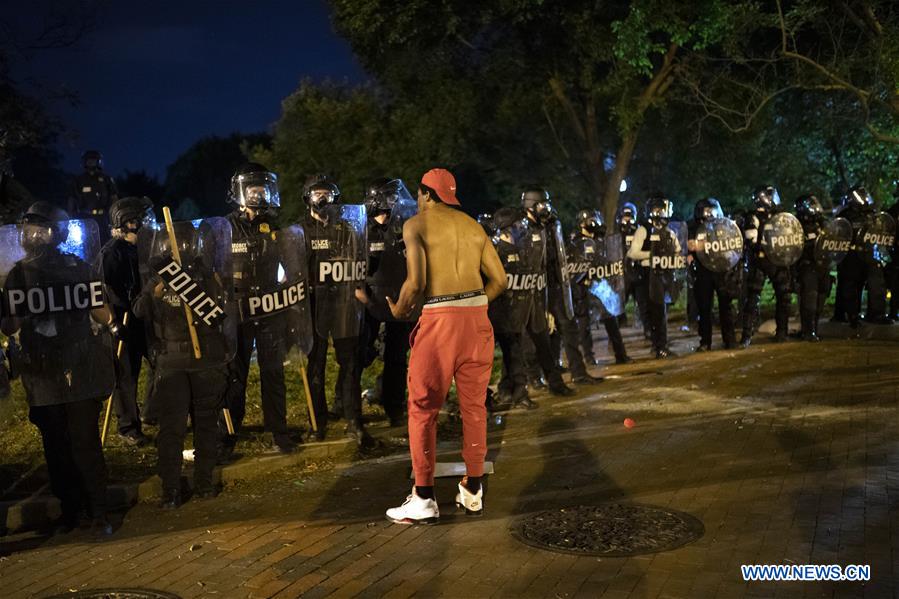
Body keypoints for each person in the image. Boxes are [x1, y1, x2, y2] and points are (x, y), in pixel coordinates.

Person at [385, 168, 506, 523]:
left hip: (440, 321)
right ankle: (473, 490)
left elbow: (417, 281)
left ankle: (423, 496)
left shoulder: (415, 225)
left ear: (425, 194)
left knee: (423, 407)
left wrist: (398, 309)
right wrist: (476, 305)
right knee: (474, 408)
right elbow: (500, 280)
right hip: (477, 319)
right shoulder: (473, 226)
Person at [1, 202, 114, 536]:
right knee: (56, 447)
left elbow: (100, 310)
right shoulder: (19, 275)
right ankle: (71, 511)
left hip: (79, 366)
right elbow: (9, 326)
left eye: (40, 229)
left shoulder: (77, 268)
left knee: (84, 442)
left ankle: (98, 510)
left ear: (56, 233)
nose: (32, 236)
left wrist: (110, 318)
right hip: (42, 369)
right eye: (28, 230)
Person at [133, 220, 233, 508]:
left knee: (205, 424)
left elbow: (220, 310)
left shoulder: (203, 273)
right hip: (171, 362)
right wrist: (157, 293)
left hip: (203, 359)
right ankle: (171, 489)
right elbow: (139, 310)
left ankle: (204, 482)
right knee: (172, 429)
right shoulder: (158, 277)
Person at [223, 163, 303, 457]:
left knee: (273, 372)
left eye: (262, 188)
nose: (259, 194)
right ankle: (229, 435)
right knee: (235, 373)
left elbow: (293, 269)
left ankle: (278, 432)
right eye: (252, 189)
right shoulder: (225, 227)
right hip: (239, 310)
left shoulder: (276, 227)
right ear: (239, 192)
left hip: (270, 309)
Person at [303, 177, 373, 447]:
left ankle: (354, 419)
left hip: (344, 305)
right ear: (307, 198)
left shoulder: (347, 229)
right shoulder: (300, 231)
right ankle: (316, 423)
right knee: (316, 365)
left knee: (351, 363)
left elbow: (358, 261)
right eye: (317, 194)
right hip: (314, 307)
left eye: (327, 195)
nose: (323, 199)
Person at [524, 189, 603, 385]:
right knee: (537, 333)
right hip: (535, 288)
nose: (546, 209)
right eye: (542, 204)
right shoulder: (523, 229)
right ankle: (535, 377)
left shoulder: (552, 224)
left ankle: (579, 372)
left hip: (557, 285)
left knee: (569, 327)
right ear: (530, 205)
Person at [357, 178, 416, 427]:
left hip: (398, 300)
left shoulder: (403, 228)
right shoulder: (361, 230)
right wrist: (362, 296)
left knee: (396, 357)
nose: (390, 206)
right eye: (385, 200)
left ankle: (394, 406)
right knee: (361, 355)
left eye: (393, 199)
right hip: (369, 301)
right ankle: (347, 405)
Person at [99, 196, 154, 446]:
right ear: (128, 223)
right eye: (141, 220)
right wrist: (112, 323)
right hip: (123, 320)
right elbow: (101, 290)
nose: (146, 225)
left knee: (160, 364)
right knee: (126, 375)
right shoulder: (111, 253)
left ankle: (153, 413)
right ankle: (128, 427)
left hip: (144, 317)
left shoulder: (145, 248)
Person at [568, 209, 631, 364]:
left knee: (611, 320)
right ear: (582, 224)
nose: (593, 223)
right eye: (590, 221)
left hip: (601, 287)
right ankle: (589, 358)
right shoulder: (575, 243)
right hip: (584, 289)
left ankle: (620, 355)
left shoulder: (600, 241)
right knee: (584, 325)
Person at [627, 194, 682, 358]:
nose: (659, 213)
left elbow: (678, 252)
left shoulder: (669, 232)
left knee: (661, 312)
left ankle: (661, 346)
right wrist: (652, 255)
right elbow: (633, 253)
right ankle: (657, 345)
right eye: (656, 209)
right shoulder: (643, 229)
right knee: (651, 313)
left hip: (663, 275)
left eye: (661, 209)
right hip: (646, 275)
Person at [739, 186, 793, 345]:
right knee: (752, 298)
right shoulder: (753, 217)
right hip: (760, 261)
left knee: (784, 296)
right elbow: (751, 240)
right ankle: (746, 335)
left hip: (777, 261)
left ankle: (782, 332)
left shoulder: (780, 216)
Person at [836, 186, 892, 327]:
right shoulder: (845, 215)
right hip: (852, 255)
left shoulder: (873, 215)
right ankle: (852, 315)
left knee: (877, 284)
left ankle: (877, 314)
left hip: (870, 255)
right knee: (851, 286)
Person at [687, 198, 738, 351]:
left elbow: (732, 241)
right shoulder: (693, 226)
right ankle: (705, 342)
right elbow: (691, 245)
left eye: (712, 210)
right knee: (704, 308)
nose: (709, 214)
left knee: (725, 305)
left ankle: (729, 339)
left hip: (721, 269)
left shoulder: (724, 225)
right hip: (703, 271)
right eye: (706, 211)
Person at [793, 195, 832, 341]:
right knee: (810, 300)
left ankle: (814, 329)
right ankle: (807, 331)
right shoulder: (797, 225)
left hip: (823, 266)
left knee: (821, 300)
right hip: (807, 266)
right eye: (811, 205)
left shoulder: (823, 223)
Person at [68, 150, 118, 241]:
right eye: (88, 160)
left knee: (105, 242)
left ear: (98, 162)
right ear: (84, 162)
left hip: (102, 218)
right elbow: (72, 199)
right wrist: (70, 217)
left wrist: (115, 218)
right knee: (84, 242)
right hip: (84, 217)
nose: (91, 162)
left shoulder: (106, 179)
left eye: (93, 160)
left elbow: (114, 198)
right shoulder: (79, 180)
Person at [616, 202, 650, 338]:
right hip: (622, 273)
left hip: (638, 271)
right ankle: (615, 335)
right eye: (625, 216)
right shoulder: (615, 232)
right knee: (618, 304)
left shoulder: (640, 231)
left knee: (643, 303)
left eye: (630, 216)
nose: (628, 219)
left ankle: (648, 329)